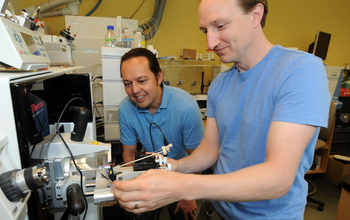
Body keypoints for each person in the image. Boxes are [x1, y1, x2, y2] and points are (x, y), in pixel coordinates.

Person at [112, 0, 331, 219]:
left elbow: (278, 178)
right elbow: (210, 149)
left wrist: (181, 186)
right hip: (217, 210)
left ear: (256, 15)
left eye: (220, 26)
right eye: (205, 30)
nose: (210, 42)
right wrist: (177, 166)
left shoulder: (300, 71)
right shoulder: (221, 83)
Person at [117, 48, 204, 220]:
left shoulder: (185, 106)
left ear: (158, 77)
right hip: (149, 174)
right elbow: (129, 154)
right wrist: (134, 190)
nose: (134, 90)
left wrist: (188, 195)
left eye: (142, 81)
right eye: (127, 83)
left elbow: (199, 158)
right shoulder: (125, 109)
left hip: (182, 178)